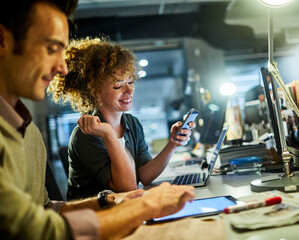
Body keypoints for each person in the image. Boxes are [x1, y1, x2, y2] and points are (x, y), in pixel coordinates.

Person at [0, 1, 194, 239]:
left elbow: (46, 209)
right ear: (2, 40)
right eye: (51, 48)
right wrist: (142, 205)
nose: (61, 67)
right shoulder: (86, 132)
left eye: (130, 82)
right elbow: (35, 231)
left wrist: (113, 200)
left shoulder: (30, 132)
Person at [47, 37, 195, 200]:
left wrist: (173, 144)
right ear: (95, 91)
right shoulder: (86, 134)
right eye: (118, 85)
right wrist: (110, 135)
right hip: (95, 218)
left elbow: (144, 175)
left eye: (130, 82)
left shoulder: (131, 123)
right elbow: (127, 187)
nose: (129, 90)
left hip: (121, 209)